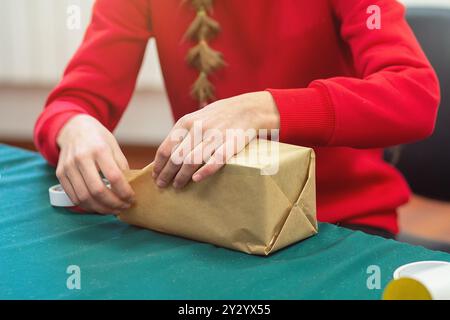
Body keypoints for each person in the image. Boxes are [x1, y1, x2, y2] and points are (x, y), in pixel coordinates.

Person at [34, 0, 440, 238]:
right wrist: (73, 126)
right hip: (219, 223)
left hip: (336, 223)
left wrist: (263, 109)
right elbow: (75, 100)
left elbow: (415, 96)